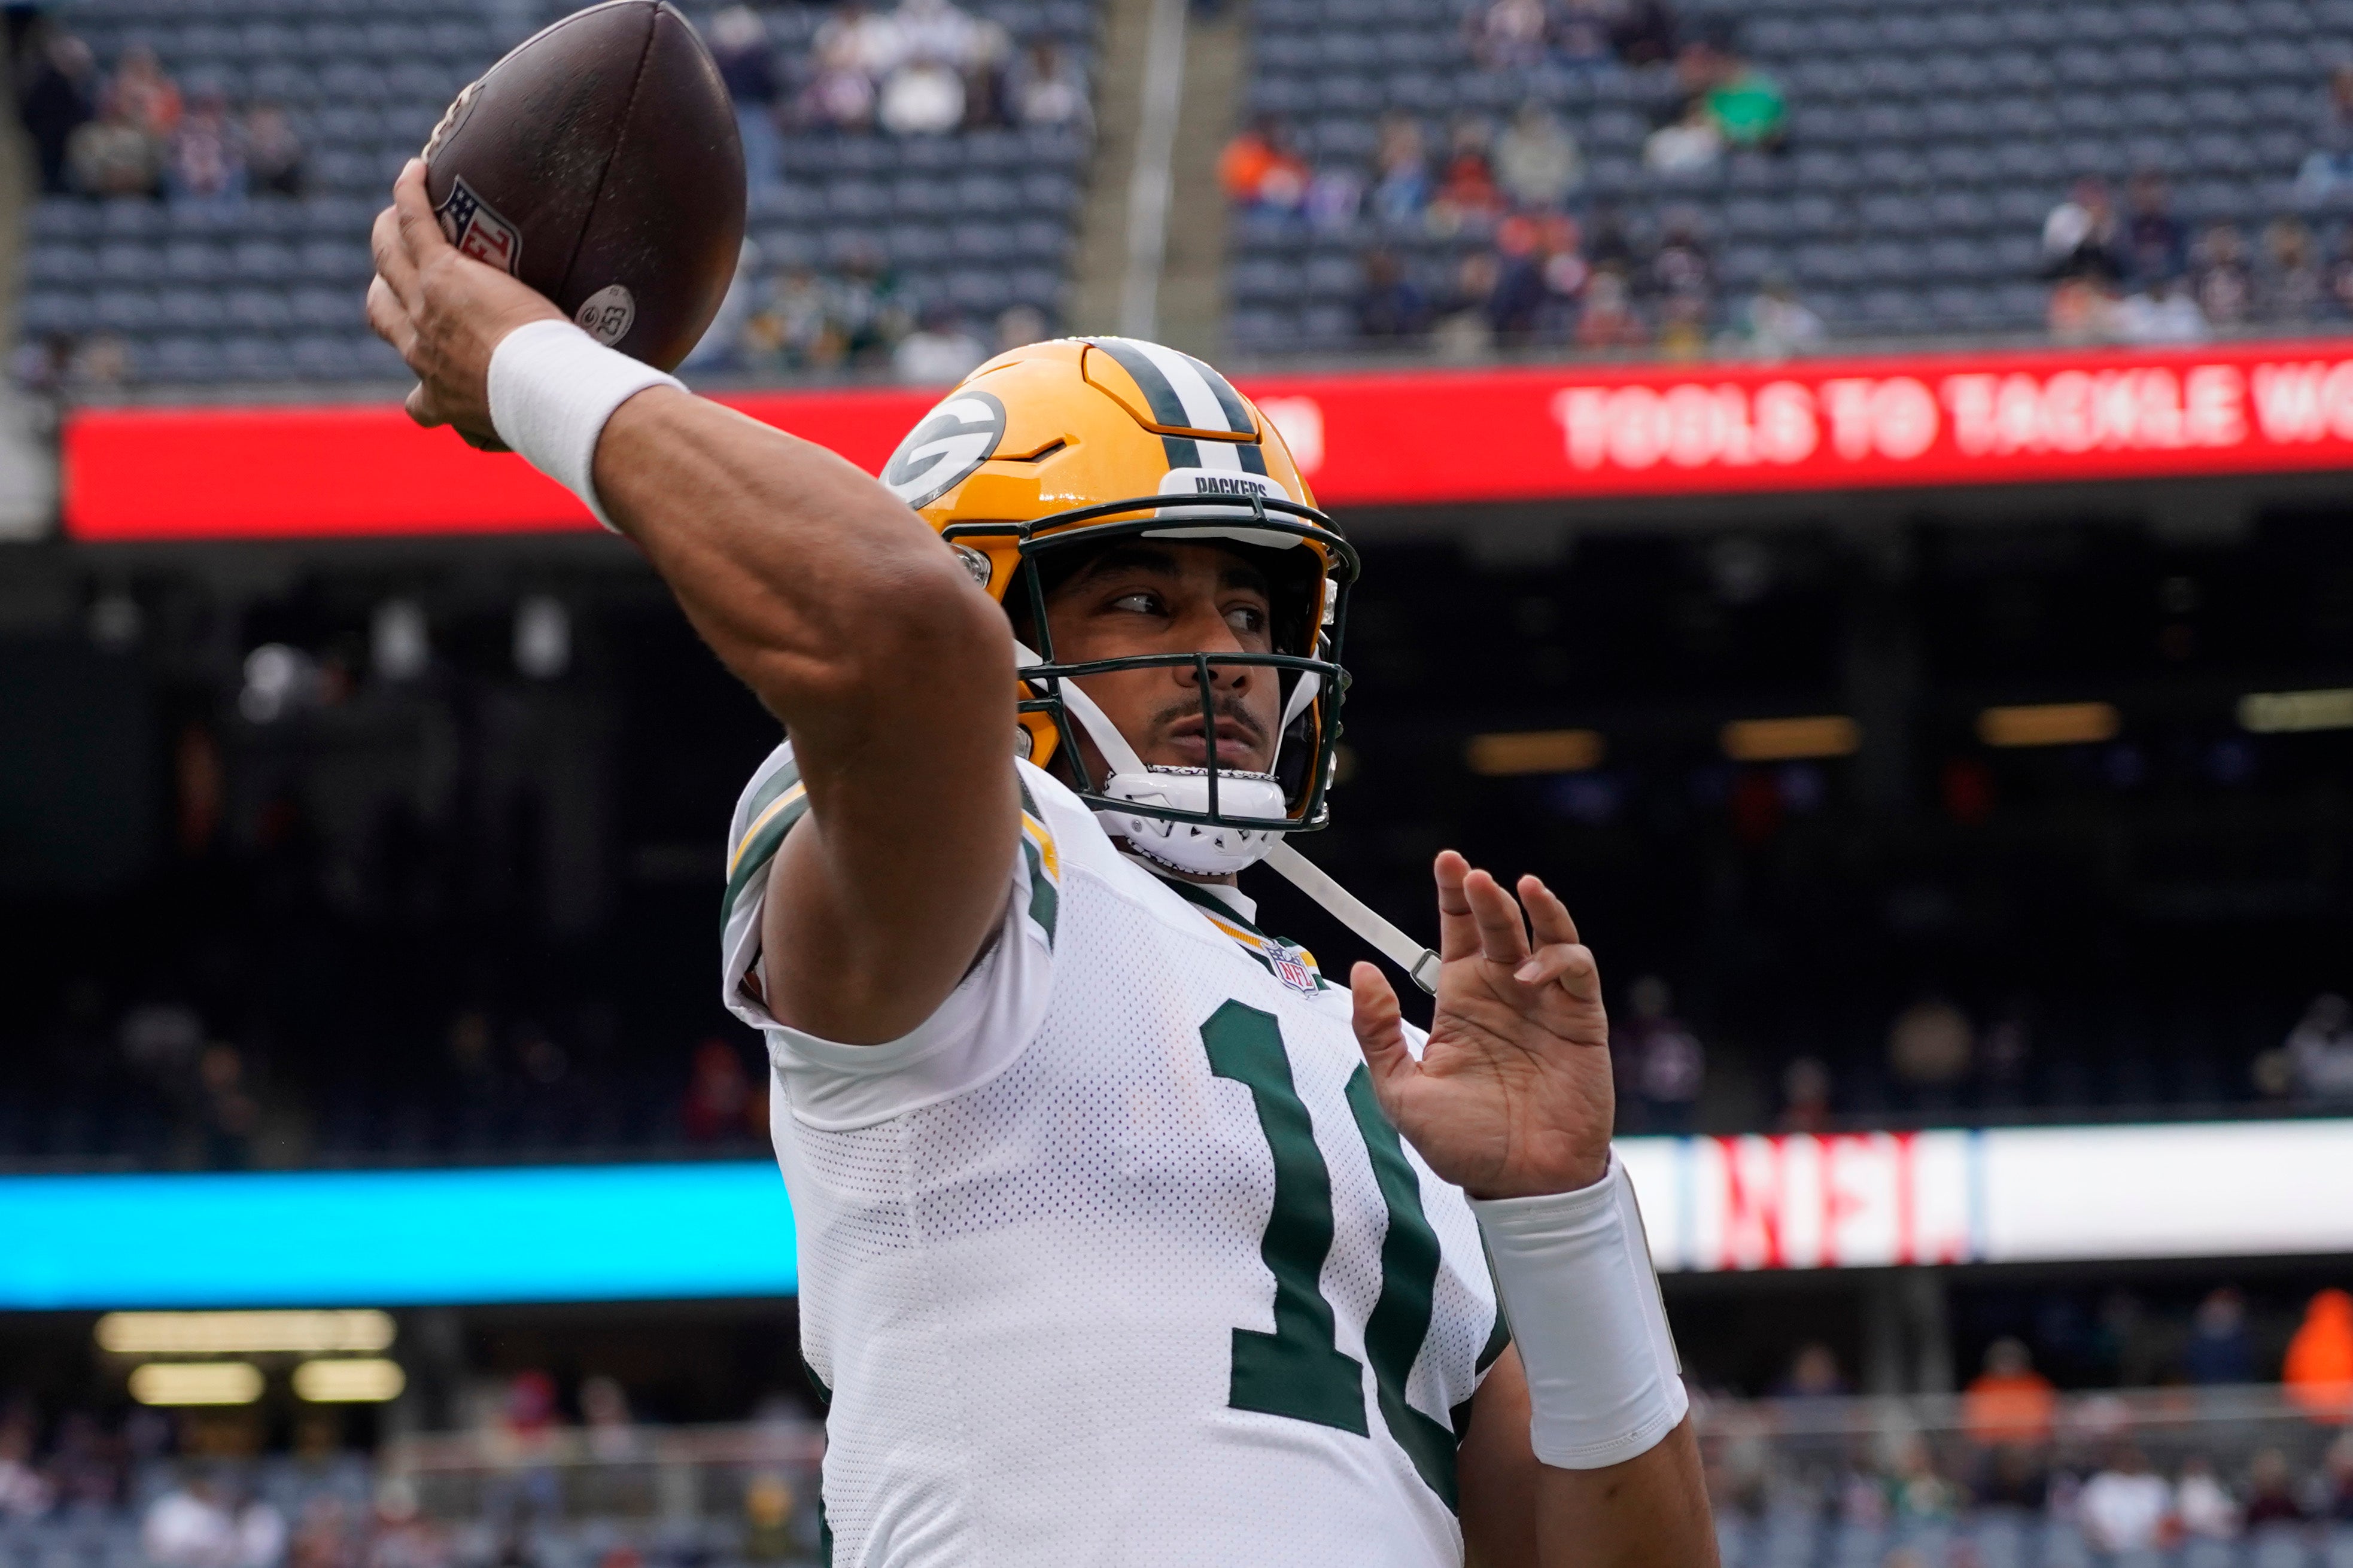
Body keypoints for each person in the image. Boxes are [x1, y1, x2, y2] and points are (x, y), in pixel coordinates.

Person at [370, 154, 1715, 1567]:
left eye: (1253, 612)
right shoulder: (989, 878)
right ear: (984, 603)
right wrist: (521, 360)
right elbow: (899, 643)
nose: (1230, 659)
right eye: (1142, 596)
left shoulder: (1390, 1065)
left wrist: (1560, 1209)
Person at [1962, 1338, 2056, 1448]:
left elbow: (2048, 1419)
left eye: (2011, 1358)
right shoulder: (1980, 1387)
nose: (2007, 1363)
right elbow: (1973, 1424)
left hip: (2031, 1446)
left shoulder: (2037, 1385)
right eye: (2002, 1358)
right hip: (1991, 1447)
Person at [2078, 1447, 2171, 1555]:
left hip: (2149, 1554)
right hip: (2106, 1555)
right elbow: (2088, 1520)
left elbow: (2167, 1521)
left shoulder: (2156, 1485)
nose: (2129, 1462)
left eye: (2133, 1458)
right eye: (2125, 1458)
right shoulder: (2100, 1484)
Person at [1493, 101, 1581, 210]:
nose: (1536, 125)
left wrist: (1554, 194)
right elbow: (1506, 179)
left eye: (1539, 119)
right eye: (1531, 120)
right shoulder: (1508, 143)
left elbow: (1574, 176)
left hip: (1559, 205)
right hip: (1518, 206)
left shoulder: (1563, 143)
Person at [2284, 1287, 2353, 1421]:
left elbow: (2293, 1373)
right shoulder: (2347, 1337)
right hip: (2343, 1410)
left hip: (2310, 1410)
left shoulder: (2305, 1337)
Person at [2296, 62, 2353, 202]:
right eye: (2343, 85)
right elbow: (2321, 143)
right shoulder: (2318, 112)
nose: (2347, 90)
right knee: (2314, 165)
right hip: (2327, 164)